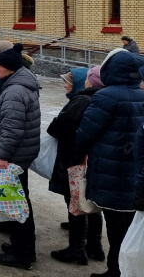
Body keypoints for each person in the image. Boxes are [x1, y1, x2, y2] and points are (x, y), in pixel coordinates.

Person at [74, 49, 144, 277]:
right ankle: (122, 269)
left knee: (115, 227)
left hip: (110, 171)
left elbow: (86, 132)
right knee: (128, 224)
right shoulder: (141, 94)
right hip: (133, 171)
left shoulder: (106, 96)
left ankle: (115, 271)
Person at [0, 43, 41, 270]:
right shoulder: (21, 84)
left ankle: (22, 254)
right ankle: (24, 247)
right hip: (22, 154)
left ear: (10, 68)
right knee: (20, 200)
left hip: (13, 156)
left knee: (18, 204)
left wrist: (2, 156)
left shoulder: (14, 92)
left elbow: (11, 129)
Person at [47, 65, 105, 265]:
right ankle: (94, 246)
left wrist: (56, 124)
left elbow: (58, 128)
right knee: (90, 204)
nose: (65, 85)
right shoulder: (101, 100)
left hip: (75, 160)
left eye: (68, 82)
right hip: (90, 159)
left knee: (75, 204)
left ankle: (76, 249)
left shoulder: (82, 100)